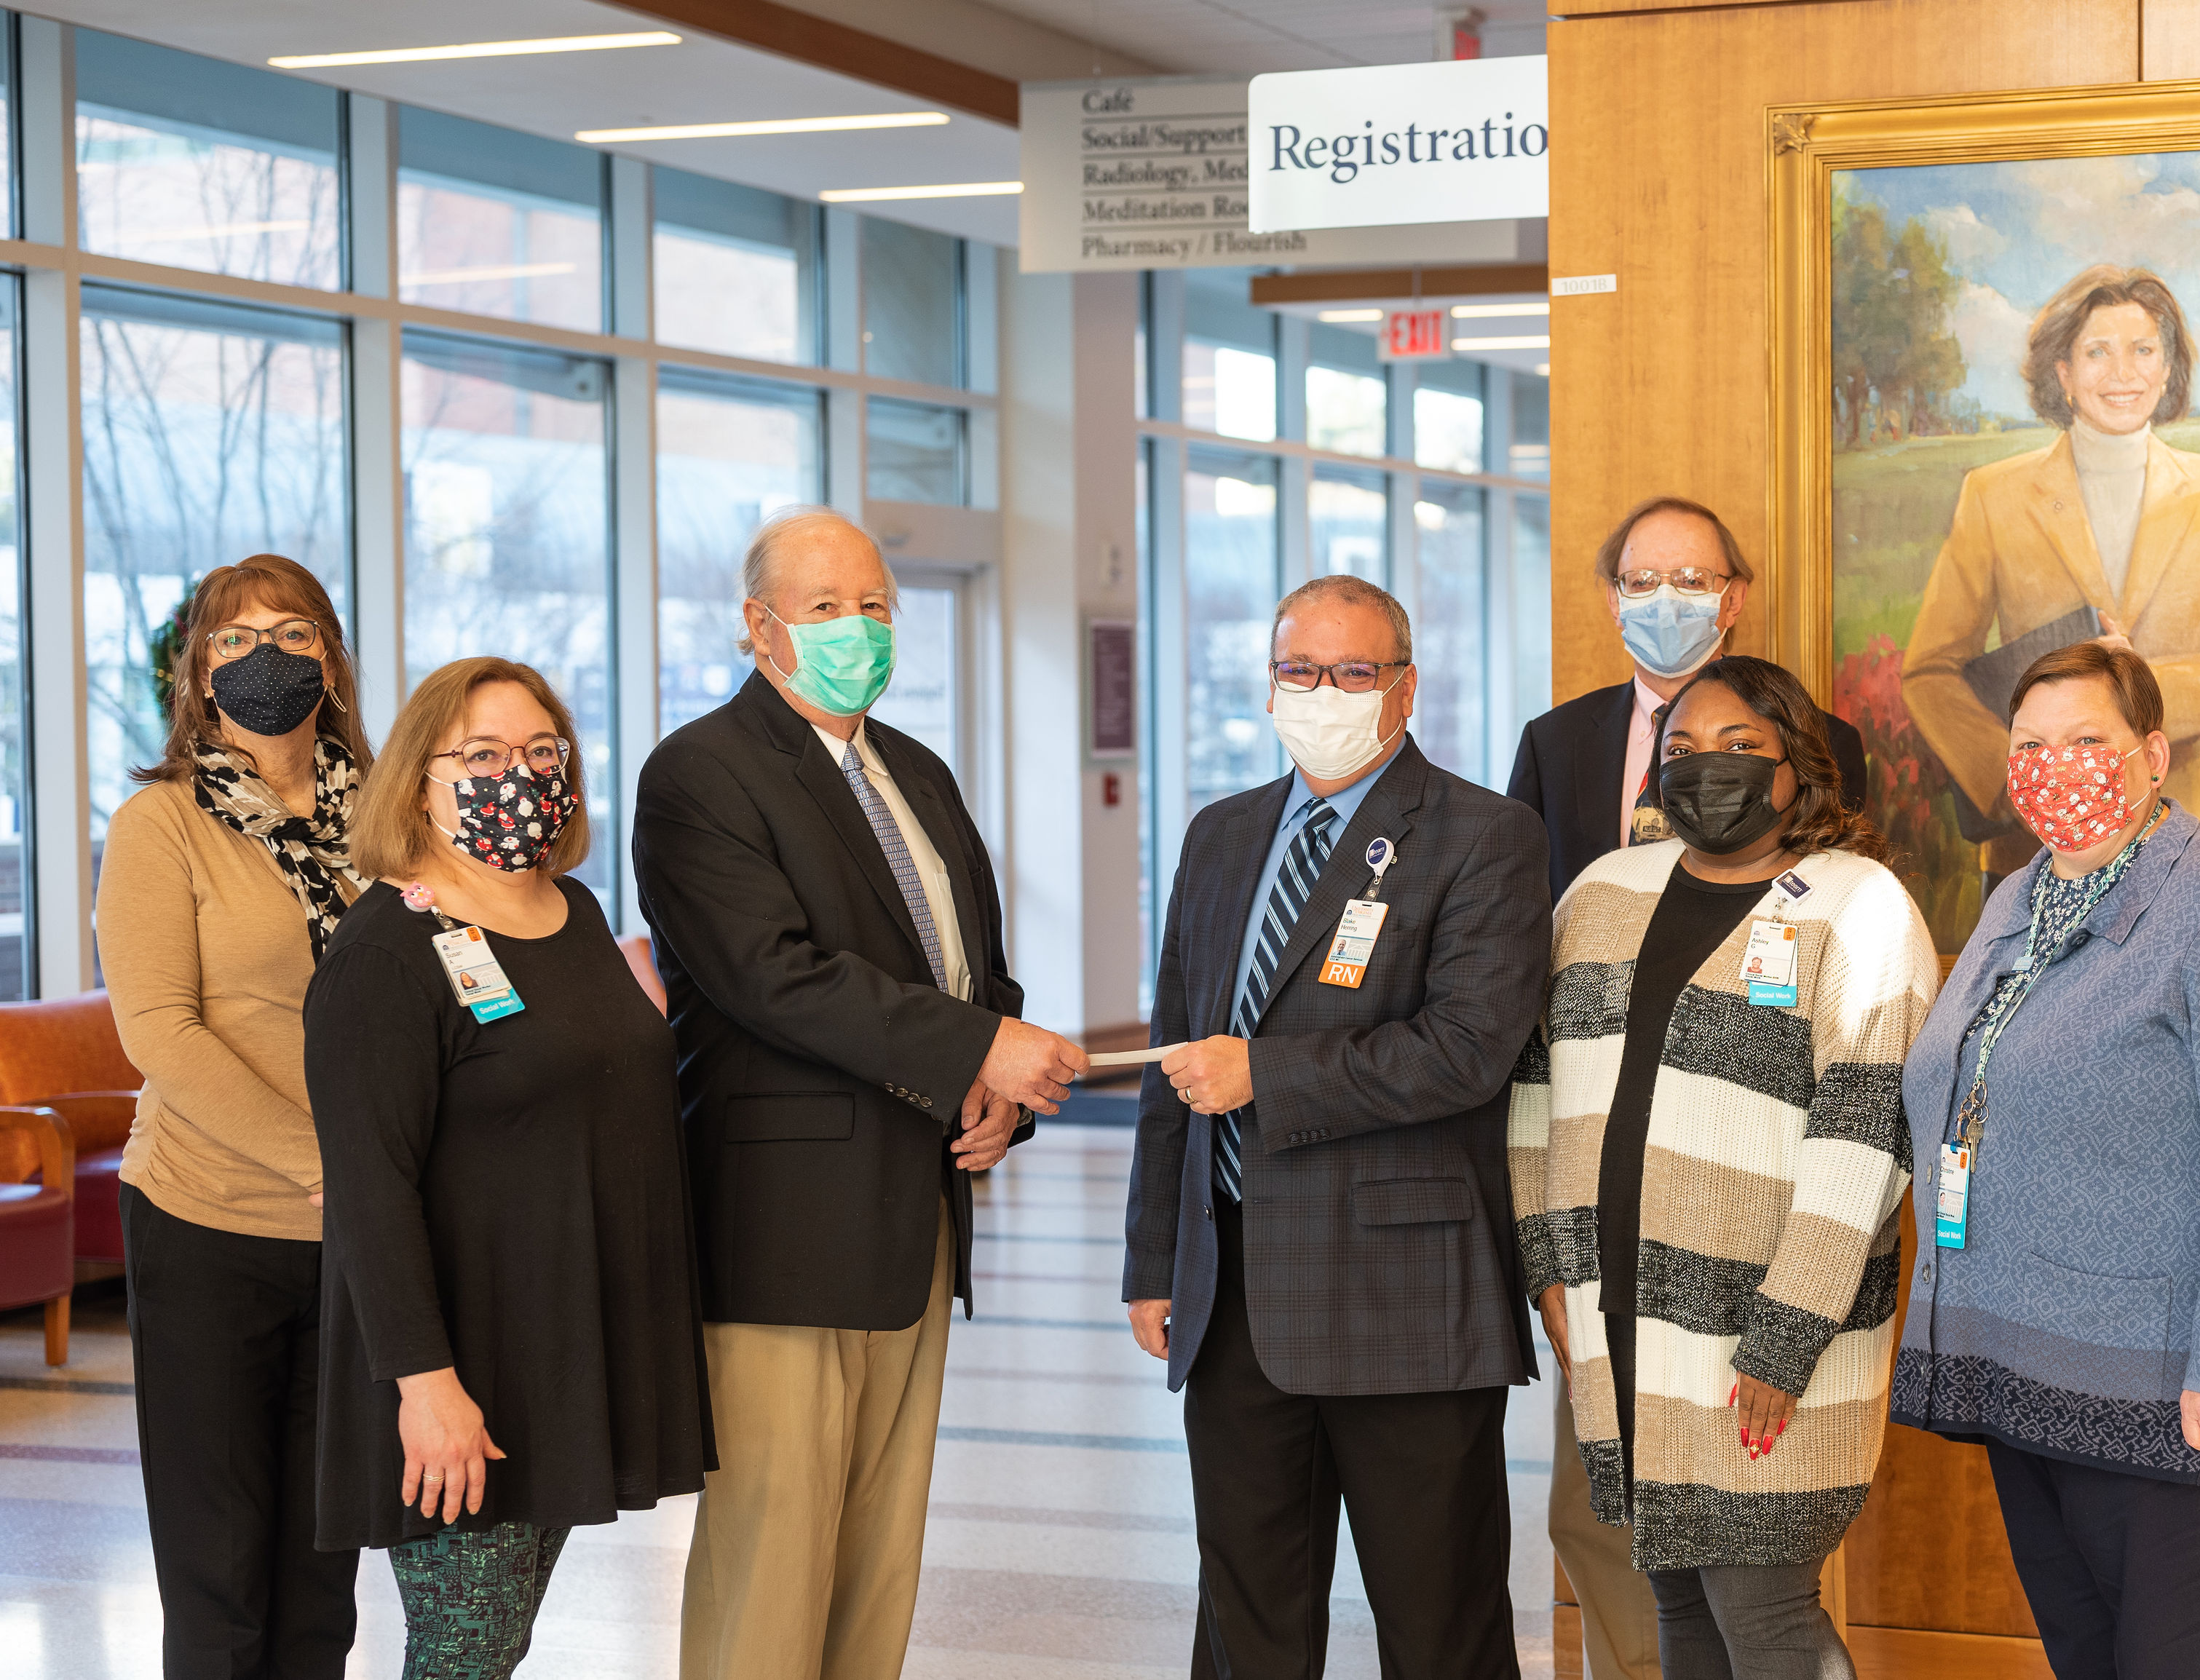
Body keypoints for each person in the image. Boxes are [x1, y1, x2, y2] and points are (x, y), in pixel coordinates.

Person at [634, 506, 1085, 1680]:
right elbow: (775, 977)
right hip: (785, 1231)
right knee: (770, 1568)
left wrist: (1001, 1094)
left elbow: (976, 969)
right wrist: (977, 1044)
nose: (857, 630)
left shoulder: (918, 773)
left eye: (876, 605)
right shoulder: (700, 774)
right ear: (759, 625)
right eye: (826, 607)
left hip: (919, 1217)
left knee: (878, 1565)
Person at [1125, 574, 1549, 1678]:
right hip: (1231, 1293)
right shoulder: (1221, 837)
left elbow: (1467, 1048)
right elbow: (1178, 1058)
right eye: (1300, 671)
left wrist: (1266, 1074)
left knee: (1439, 1617)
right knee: (1245, 1617)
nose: (1324, 692)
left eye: (1354, 672)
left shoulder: (1485, 835)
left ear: (1404, 691)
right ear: (1270, 685)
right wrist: (1150, 1261)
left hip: (1402, 1292)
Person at [1891, 641, 2200, 1679]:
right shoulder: (2018, 897)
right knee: (2085, 1655)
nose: (2057, 767)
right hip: (2019, 1359)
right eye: (2031, 746)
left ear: (2151, 753)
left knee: (2174, 1661)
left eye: (2088, 741)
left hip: (2159, 1375)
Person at [1511, 657, 1936, 1680]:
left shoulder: (1858, 908)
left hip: (1764, 1343)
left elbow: (1868, 1136)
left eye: (1743, 748)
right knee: (1681, 1605)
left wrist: (1783, 1341)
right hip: (1622, 1323)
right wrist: (1547, 1265)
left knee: (1766, 1613)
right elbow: (1535, 1090)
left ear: (1798, 765)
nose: (1710, 769)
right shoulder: (1603, 893)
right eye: (1684, 750)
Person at [304, 657, 713, 1678]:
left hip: (566, 1348)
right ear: (416, 782)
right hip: (461, 1370)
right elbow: (369, 1188)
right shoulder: (386, 953)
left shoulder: (571, 917)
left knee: (497, 1644)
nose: (518, 776)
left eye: (540, 752)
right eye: (481, 755)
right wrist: (425, 1387)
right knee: (465, 1652)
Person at [97, 555, 371, 1679]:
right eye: (235, 638)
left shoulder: (392, 825)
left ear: (332, 662)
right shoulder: (161, 824)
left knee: (323, 1575)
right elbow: (161, 1032)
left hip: (360, 1240)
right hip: (209, 1222)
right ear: (199, 679)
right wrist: (326, 1159)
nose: (267, 655)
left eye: (295, 632)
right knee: (221, 1583)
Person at [1902, 265, 2200, 885]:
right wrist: (2017, 787)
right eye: (2098, 352)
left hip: (2188, 837)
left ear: (2167, 370)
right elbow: (1930, 672)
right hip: (2035, 855)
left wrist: (2125, 685)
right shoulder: (1993, 494)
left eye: (2143, 351)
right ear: (2065, 373)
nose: (2123, 373)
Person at [1509, 496, 1868, 903]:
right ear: (1616, 601)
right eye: (1642, 581)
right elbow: (1517, 898)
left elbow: (1838, 893)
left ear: (1733, 600)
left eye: (1692, 580)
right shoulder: (1552, 741)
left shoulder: (1825, 739)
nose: (1665, 600)